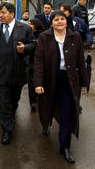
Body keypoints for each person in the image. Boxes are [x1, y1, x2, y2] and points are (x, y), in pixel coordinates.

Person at [34, 10, 88, 164]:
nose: (59, 21)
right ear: (51, 23)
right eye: (56, 19)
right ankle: (46, 124)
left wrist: (84, 82)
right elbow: (38, 62)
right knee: (48, 108)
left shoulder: (74, 36)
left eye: (62, 19)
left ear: (66, 20)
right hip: (49, 79)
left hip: (68, 80)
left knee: (67, 113)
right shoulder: (44, 37)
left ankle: (65, 147)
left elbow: (80, 61)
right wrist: (38, 83)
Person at [0, 2, 35, 145]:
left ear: (12, 13)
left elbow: (33, 44)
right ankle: (7, 130)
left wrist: (25, 48)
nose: (0, 15)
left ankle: (10, 115)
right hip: (1, 72)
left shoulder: (25, 28)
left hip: (18, 71)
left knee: (14, 100)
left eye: (3, 12)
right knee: (4, 101)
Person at [27, 18, 45, 112]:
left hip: (42, 63)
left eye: (31, 24)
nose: (29, 26)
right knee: (31, 83)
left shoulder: (44, 35)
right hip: (31, 63)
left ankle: (41, 100)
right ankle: (33, 102)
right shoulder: (28, 35)